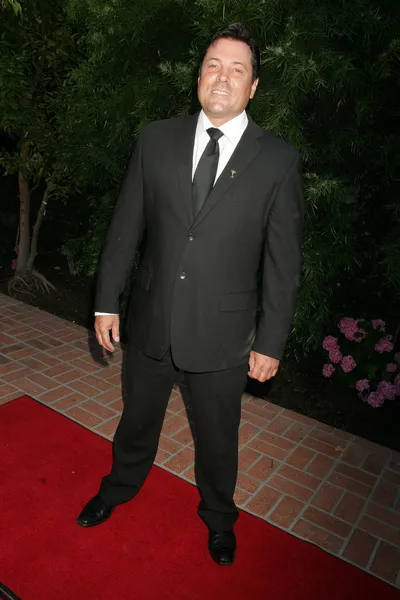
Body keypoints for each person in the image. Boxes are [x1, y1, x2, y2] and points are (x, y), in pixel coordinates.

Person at [77, 23, 304, 566]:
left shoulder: (278, 160)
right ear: (198, 75)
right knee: (137, 418)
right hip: (152, 319)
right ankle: (119, 487)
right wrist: (106, 301)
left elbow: (283, 263)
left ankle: (220, 518)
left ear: (253, 87)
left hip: (224, 337)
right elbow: (124, 227)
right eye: (212, 65)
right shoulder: (156, 138)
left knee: (219, 440)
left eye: (237, 69)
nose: (221, 78)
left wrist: (270, 341)